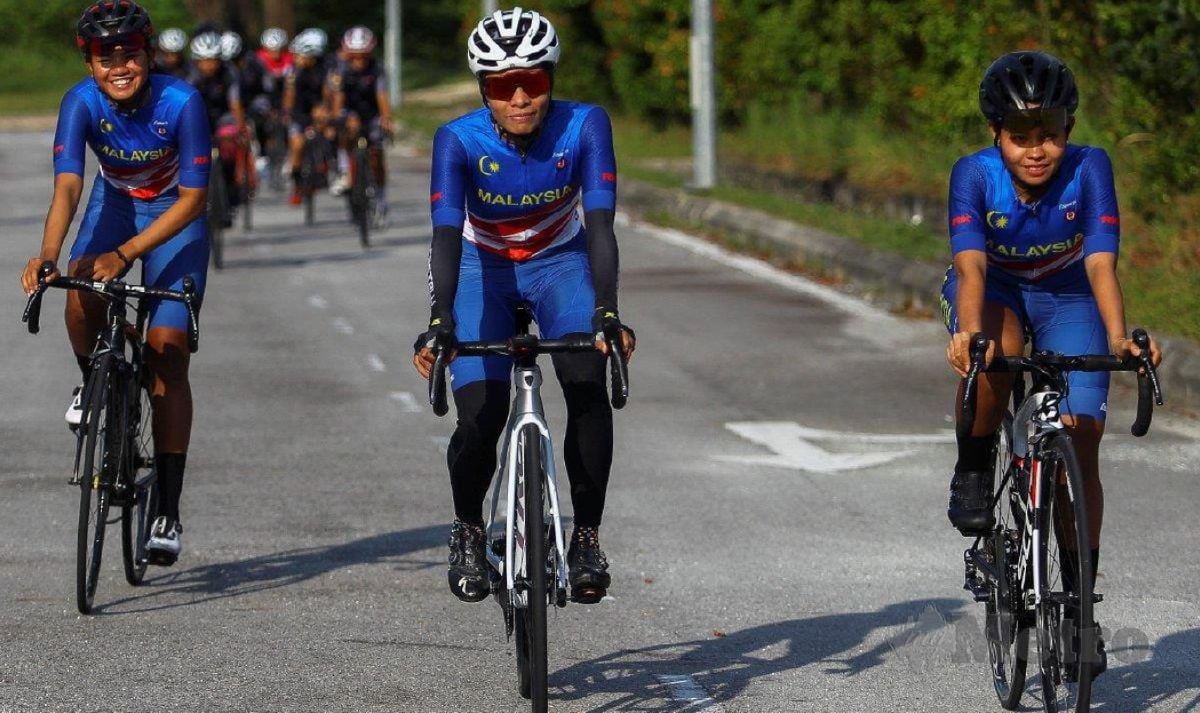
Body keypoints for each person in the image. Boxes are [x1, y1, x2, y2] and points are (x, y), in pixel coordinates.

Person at [941, 50, 1163, 677]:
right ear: (996, 135)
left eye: (1049, 135)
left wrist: (1120, 337)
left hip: (1069, 292)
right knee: (999, 354)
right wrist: (971, 335)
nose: (1035, 150)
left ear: (1068, 130)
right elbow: (972, 266)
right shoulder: (973, 174)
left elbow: (1099, 262)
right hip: (997, 290)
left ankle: (1081, 614)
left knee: (1082, 438)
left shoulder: (1091, 168)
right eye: (1020, 137)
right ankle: (973, 468)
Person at [412, 8, 635, 605]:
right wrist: (440, 325)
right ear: (483, 88)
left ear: (550, 81)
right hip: (480, 265)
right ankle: (467, 528)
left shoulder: (585, 125)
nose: (518, 98)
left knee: (587, 380)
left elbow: (601, 225)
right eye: (501, 86)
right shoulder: (458, 139)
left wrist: (608, 311)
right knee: (481, 412)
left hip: (559, 261)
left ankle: (585, 537)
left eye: (532, 83)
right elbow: (443, 234)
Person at [21, 0, 211, 565]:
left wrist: (125, 255)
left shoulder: (182, 102)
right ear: (90, 64)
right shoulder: (80, 102)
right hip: (116, 203)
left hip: (175, 215)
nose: (120, 66)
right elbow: (69, 189)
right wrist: (49, 256)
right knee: (80, 288)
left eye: (130, 53)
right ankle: (93, 381)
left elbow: (196, 198)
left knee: (167, 351)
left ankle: (168, 510)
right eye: (107, 57)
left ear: (148, 54)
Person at [327, 26, 391, 218]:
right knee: (347, 129)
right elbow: (338, 99)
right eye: (354, 56)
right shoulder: (340, 70)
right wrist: (340, 119)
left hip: (371, 114)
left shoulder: (377, 69)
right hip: (349, 111)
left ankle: (380, 196)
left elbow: (382, 96)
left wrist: (386, 118)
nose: (359, 60)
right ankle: (345, 170)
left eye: (363, 55)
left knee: (377, 154)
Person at [185, 30, 247, 221]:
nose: (209, 65)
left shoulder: (229, 73)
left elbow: (235, 103)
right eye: (204, 60)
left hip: (223, 116)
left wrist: (240, 128)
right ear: (197, 60)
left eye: (213, 59)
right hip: (199, 115)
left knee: (229, 142)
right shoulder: (191, 76)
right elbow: (184, 105)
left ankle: (230, 190)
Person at [283, 28, 336, 206]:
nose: (298, 58)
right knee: (297, 145)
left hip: (318, 108)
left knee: (328, 131)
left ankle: (327, 166)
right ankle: (297, 183)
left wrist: (324, 110)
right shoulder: (294, 70)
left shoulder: (327, 68)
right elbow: (289, 96)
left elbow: (329, 93)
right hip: (300, 110)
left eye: (302, 55)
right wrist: (287, 113)